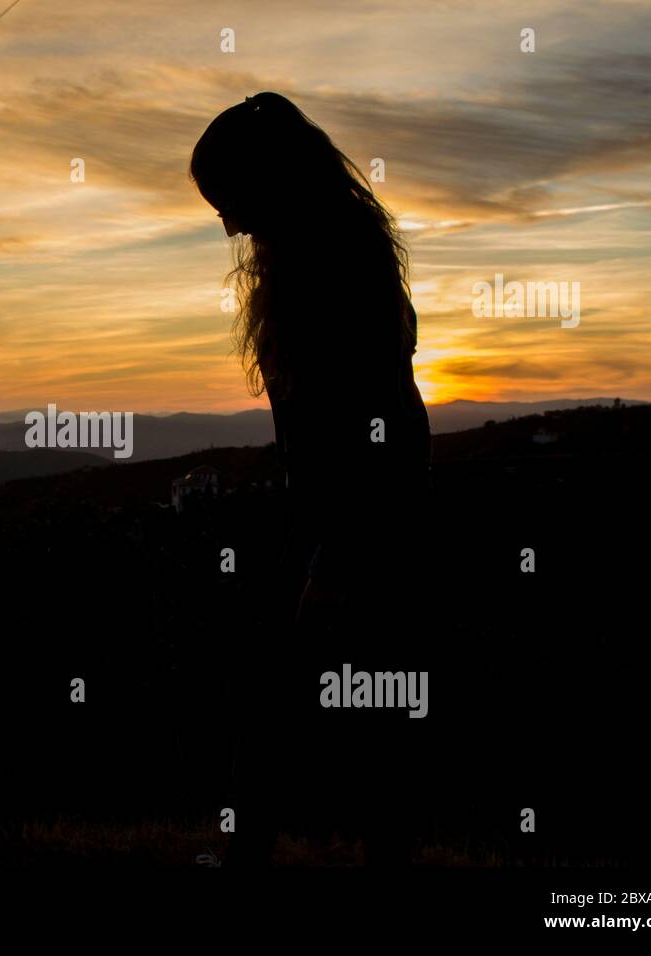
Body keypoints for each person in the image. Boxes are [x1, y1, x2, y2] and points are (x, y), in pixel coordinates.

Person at [191, 92, 432, 866]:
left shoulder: (336, 267)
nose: (229, 226)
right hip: (339, 522)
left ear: (273, 181)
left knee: (297, 705)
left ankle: (248, 857)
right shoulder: (315, 258)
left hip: (363, 525)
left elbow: (379, 420)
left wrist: (336, 554)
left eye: (231, 201)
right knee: (341, 709)